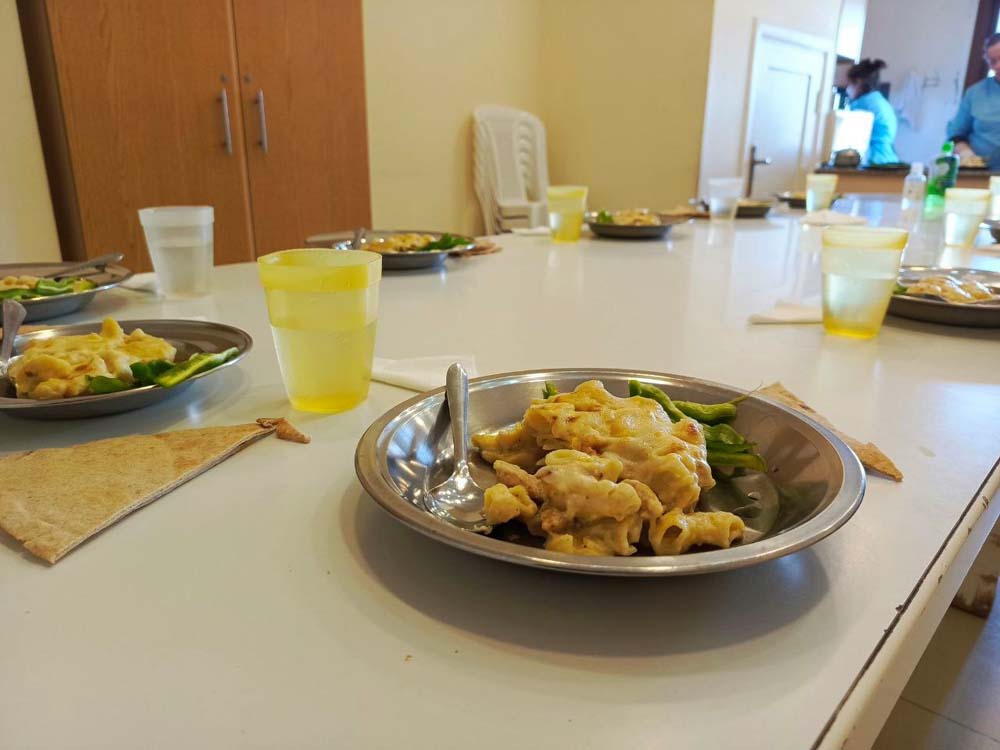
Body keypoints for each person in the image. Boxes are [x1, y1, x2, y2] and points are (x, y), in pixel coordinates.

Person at [948, 33, 1000, 169]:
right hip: (981, 173)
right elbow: (956, 134)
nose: (998, 66)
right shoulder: (975, 93)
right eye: (993, 61)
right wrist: (966, 155)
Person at [846, 58, 900, 165]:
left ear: (859, 83)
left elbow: (850, 136)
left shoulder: (863, 104)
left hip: (873, 159)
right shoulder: (880, 101)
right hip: (888, 158)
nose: (848, 88)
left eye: (850, 83)